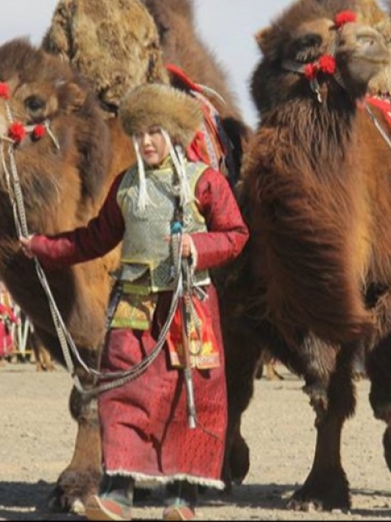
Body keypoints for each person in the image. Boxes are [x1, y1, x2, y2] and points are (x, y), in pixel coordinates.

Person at [20, 83, 249, 522]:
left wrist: (197, 247)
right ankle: (117, 493)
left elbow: (236, 235)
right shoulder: (127, 187)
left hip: (188, 307)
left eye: (154, 133)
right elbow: (94, 238)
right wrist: (44, 248)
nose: (145, 142)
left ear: (174, 135)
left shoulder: (205, 182)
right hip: (134, 307)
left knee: (189, 399)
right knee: (121, 391)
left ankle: (182, 498)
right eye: (139, 134)